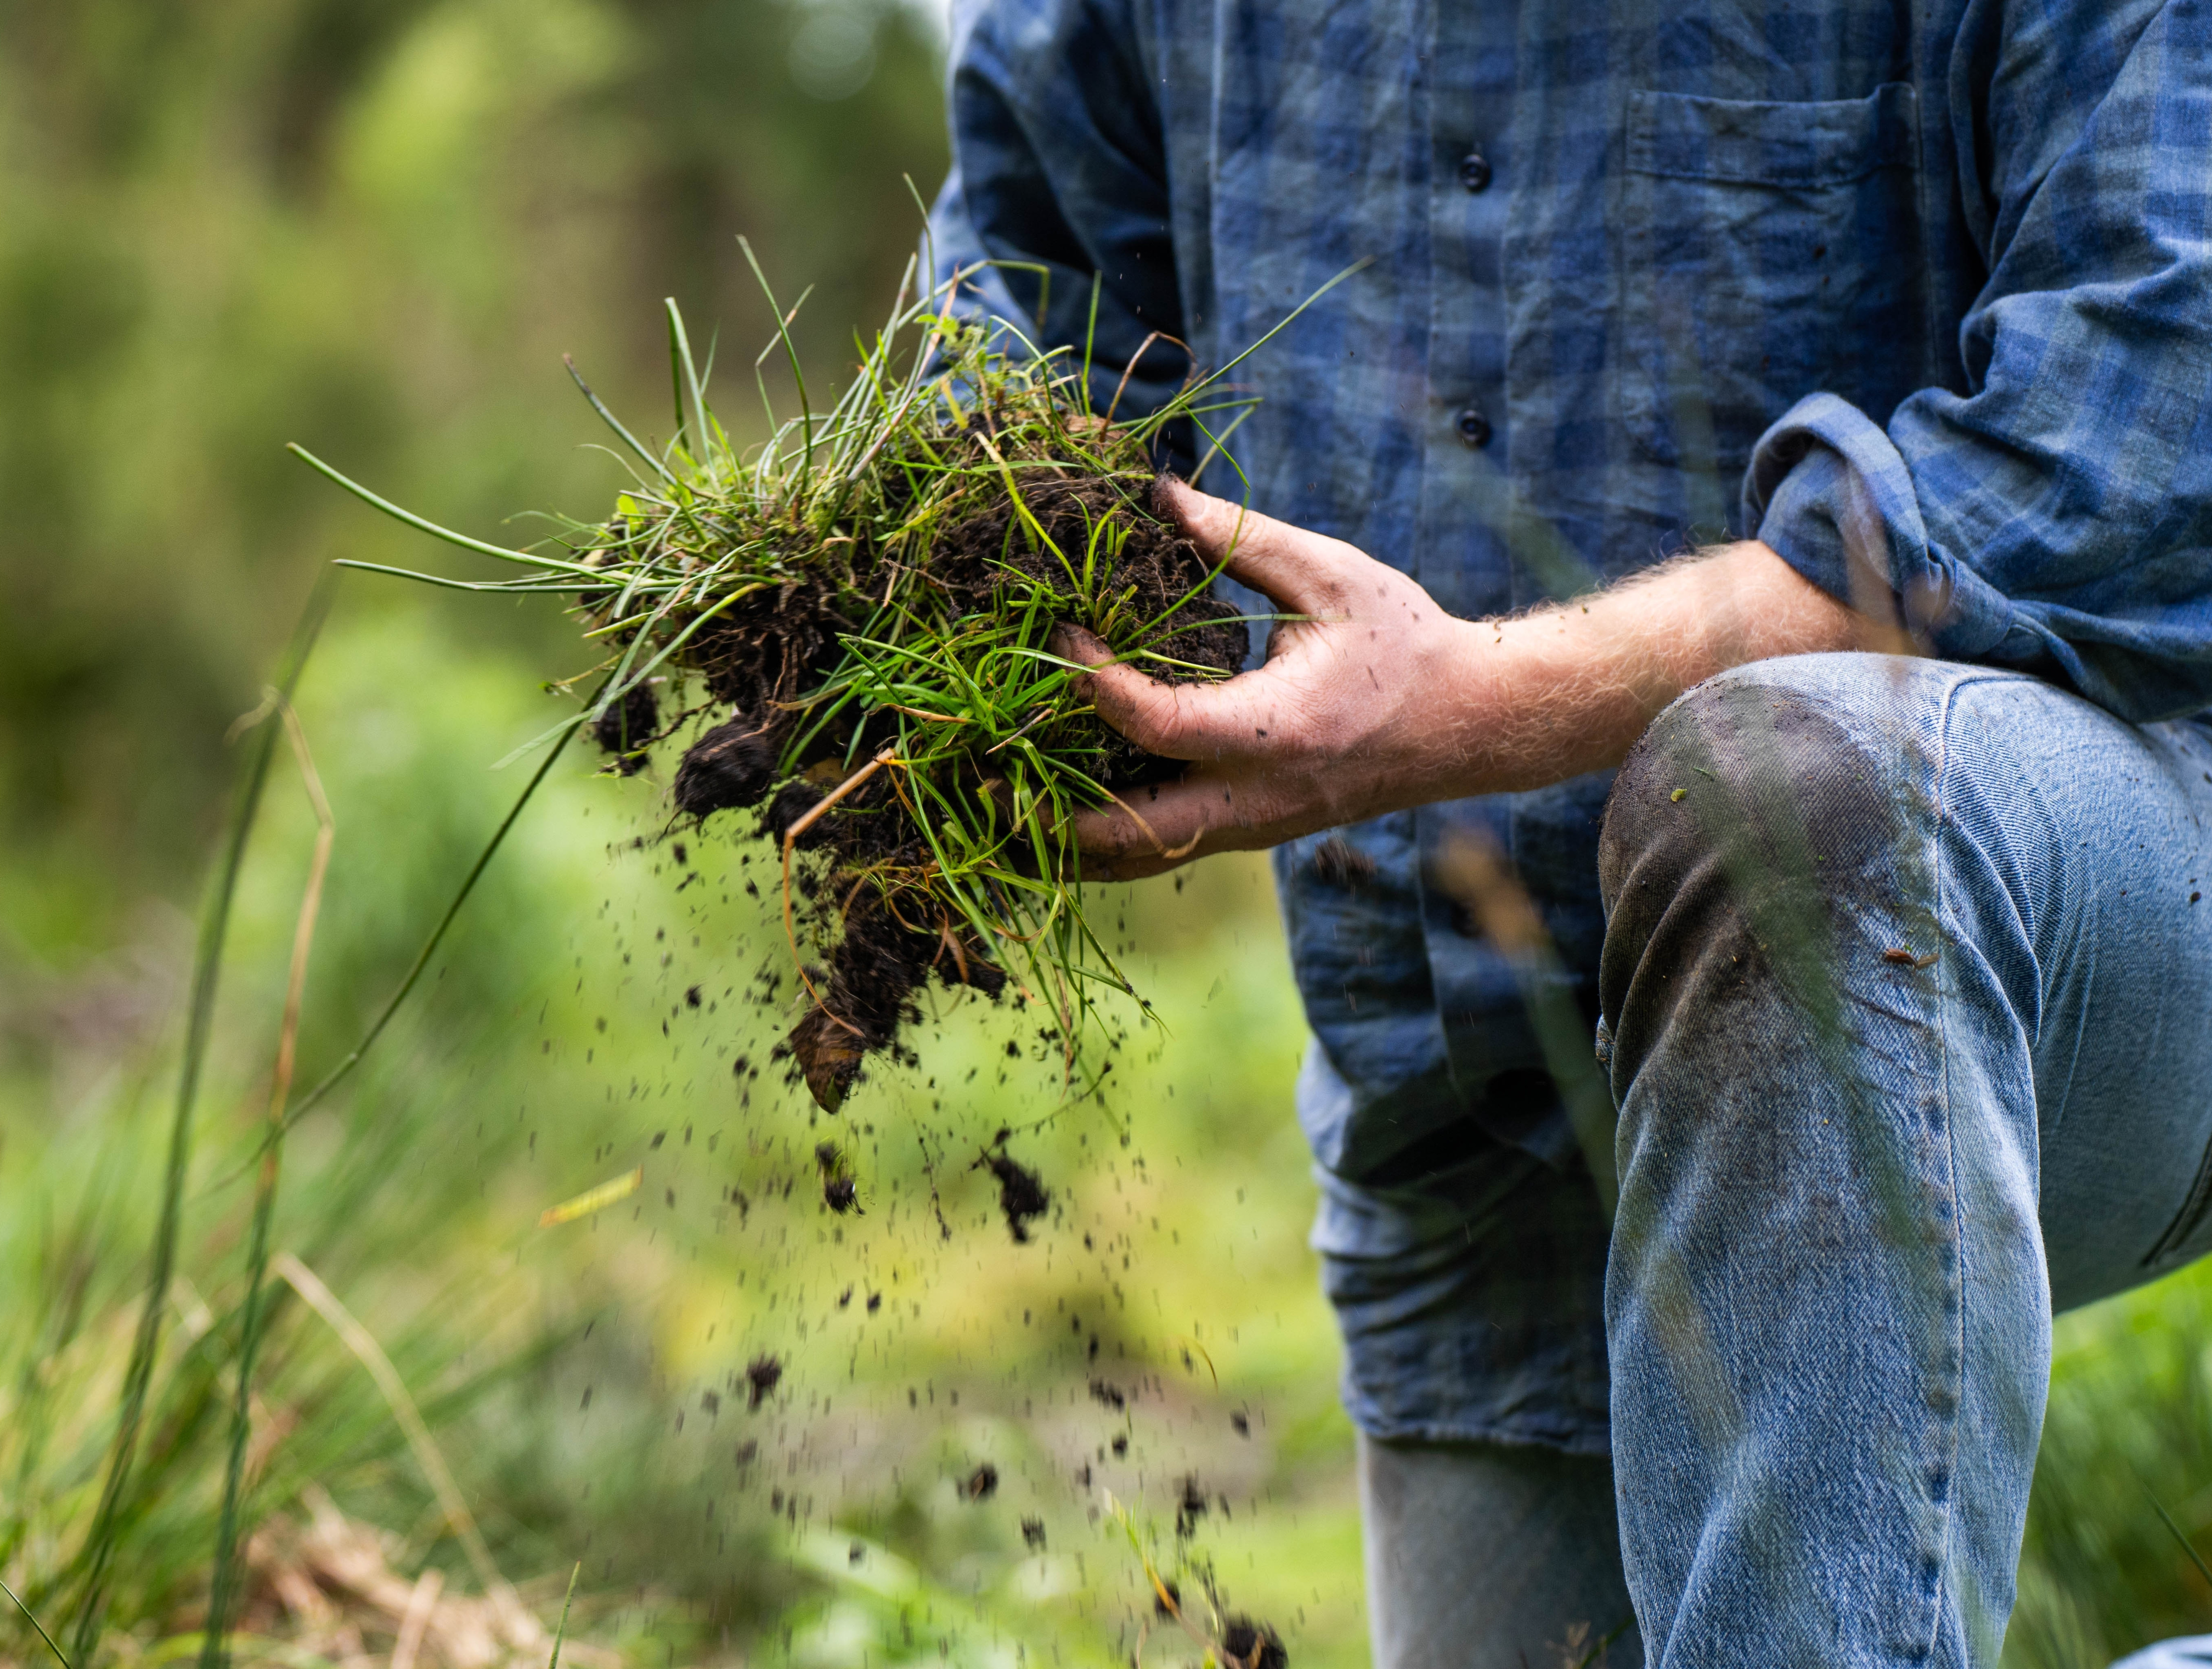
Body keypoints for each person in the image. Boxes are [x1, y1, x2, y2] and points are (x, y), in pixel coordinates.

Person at [925, 0, 2212, 1656]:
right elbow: (1023, 337)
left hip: (2083, 926)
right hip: (1480, 1113)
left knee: (1787, 796)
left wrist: (1480, 702)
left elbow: (2147, 428)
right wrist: (937, 632)